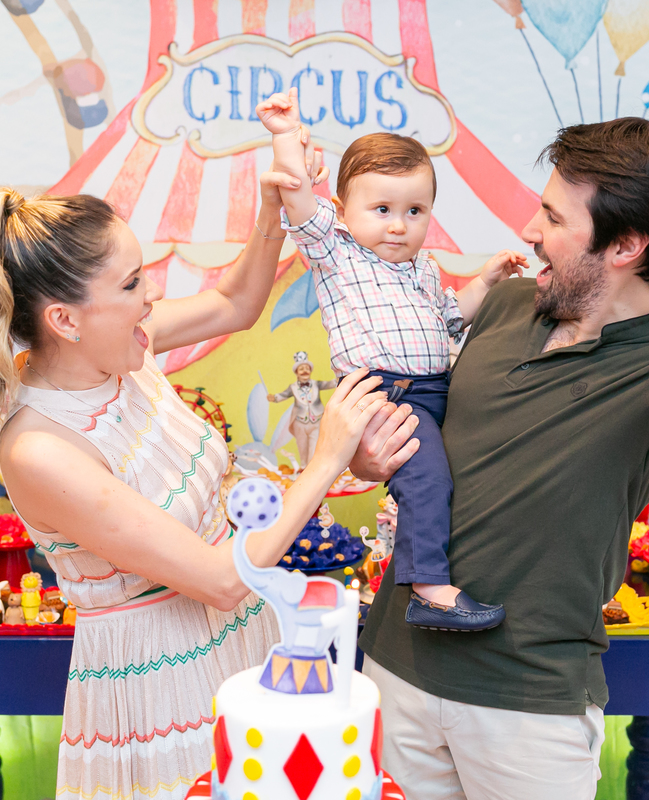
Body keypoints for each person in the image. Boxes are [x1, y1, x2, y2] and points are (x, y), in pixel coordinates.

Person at [351, 5, 649, 798]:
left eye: (556, 218)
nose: (529, 227)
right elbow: (413, 434)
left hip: (527, 715)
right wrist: (365, 451)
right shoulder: (501, 308)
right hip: (393, 672)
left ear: (625, 248)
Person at [0, 142, 392, 800]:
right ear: (65, 320)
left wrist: (271, 204)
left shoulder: (123, 348)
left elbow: (234, 303)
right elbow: (218, 579)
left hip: (241, 640)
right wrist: (326, 458)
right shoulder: (42, 450)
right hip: (160, 684)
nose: (151, 293)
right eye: (131, 284)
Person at [258, 92, 528, 632]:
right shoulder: (337, 252)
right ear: (341, 210)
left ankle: (494, 564)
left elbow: (450, 318)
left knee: (481, 460)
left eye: (414, 211)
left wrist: (487, 282)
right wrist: (286, 135)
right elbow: (294, 196)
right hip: (387, 394)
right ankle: (428, 589)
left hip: (438, 386)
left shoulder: (423, 269)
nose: (398, 225)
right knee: (425, 479)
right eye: (381, 210)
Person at [267, 351, 337, 467]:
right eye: (301, 369)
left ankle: (313, 468)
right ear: (297, 373)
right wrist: (273, 397)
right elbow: (282, 395)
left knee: (315, 446)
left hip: (317, 420)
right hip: (300, 422)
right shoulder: (293, 387)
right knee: (302, 446)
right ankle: (304, 467)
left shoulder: (316, 384)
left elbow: (331, 383)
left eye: (307, 368)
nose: (305, 371)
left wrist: (341, 377)